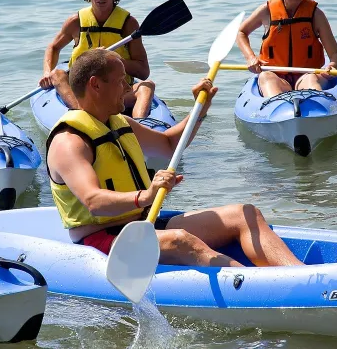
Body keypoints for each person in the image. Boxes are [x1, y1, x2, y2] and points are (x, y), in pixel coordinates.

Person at [46, 49, 303, 267]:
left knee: (244, 213)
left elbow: (168, 144)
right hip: (102, 238)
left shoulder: (119, 122)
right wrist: (146, 195)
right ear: (95, 84)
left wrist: (199, 109)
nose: (127, 88)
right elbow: (93, 201)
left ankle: (301, 277)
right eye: (120, 81)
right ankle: (262, 287)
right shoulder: (69, 142)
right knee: (181, 239)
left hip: (144, 223)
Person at [38, 0, 155, 118]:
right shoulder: (76, 22)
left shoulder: (128, 24)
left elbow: (143, 71)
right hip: (83, 95)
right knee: (57, 74)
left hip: (117, 93)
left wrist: (111, 59)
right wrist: (47, 72)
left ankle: (139, 127)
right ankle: (83, 115)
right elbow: (53, 47)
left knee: (147, 86)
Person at [237, 0, 337, 98]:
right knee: (265, 77)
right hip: (276, 77)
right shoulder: (266, 11)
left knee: (311, 79)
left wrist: (332, 66)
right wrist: (251, 58)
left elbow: (336, 55)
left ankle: (316, 108)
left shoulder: (316, 15)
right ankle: (277, 109)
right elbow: (241, 33)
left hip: (306, 76)